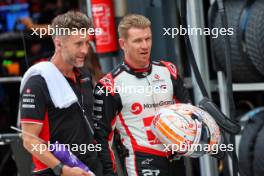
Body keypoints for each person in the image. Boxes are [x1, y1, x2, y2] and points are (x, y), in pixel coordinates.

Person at [93, 14, 190, 176]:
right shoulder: (108, 85)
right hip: (142, 160)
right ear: (123, 44)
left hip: (176, 159)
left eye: (148, 39)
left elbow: (188, 113)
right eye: (138, 41)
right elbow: (101, 138)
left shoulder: (168, 71)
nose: (145, 46)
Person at [19, 11, 103, 176]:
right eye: (78, 44)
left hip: (91, 168)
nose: (85, 50)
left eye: (87, 43)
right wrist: (62, 170)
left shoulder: (84, 75)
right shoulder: (38, 82)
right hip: (56, 171)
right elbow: (29, 140)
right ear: (58, 44)